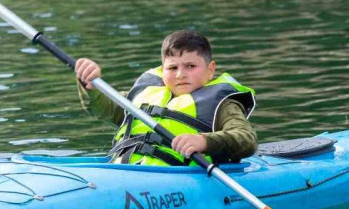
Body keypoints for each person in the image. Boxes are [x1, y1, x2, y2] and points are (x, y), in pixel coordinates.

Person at [74, 30, 257, 166]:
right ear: (162, 70)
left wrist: (204, 141)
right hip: (121, 170)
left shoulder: (223, 105)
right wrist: (91, 85)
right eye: (172, 68)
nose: (180, 75)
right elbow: (103, 108)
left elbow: (246, 139)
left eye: (190, 66)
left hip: (178, 180)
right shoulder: (144, 94)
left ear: (210, 70)